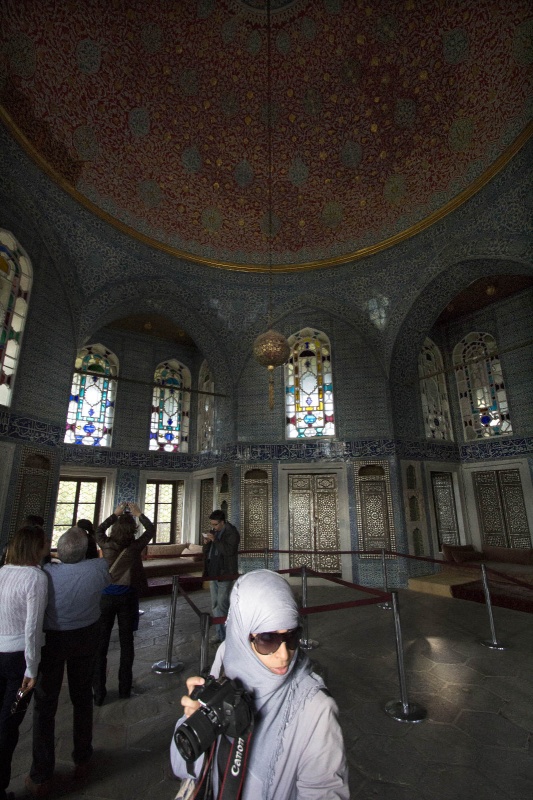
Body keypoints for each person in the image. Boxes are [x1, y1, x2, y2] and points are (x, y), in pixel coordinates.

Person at [170, 570, 349, 800]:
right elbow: (183, 766)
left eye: (292, 637)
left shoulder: (316, 710)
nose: (284, 655)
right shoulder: (228, 658)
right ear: (240, 635)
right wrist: (193, 723)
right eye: (267, 640)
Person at [26, 527, 110, 797]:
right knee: (82, 697)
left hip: (52, 641)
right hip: (85, 638)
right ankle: (82, 758)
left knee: (44, 705)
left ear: (57, 552)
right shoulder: (98, 568)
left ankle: (41, 774)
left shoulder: (45, 574)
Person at [0, 526, 48, 800]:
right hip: (19, 662)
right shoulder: (35, 577)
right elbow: (32, 629)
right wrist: (32, 668)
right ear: (36, 547)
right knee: (9, 722)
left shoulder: (2, 572)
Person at [92, 502, 155, 705]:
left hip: (106, 598)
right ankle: (124, 688)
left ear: (115, 529)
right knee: (127, 643)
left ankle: (99, 692)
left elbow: (98, 530)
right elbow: (151, 530)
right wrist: (140, 514)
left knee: (100, 645)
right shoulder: (135, 547)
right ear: (134, 530)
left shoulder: (106, 543)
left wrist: (114, 515)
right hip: (127, 598)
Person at [203, 510, 240, 643]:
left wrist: (216, 540)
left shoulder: (232, 533)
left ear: (223, 522)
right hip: (214, 572)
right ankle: (220, 633)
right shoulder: (215, 532)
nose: (214, 527)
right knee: (215, 605)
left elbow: (229, 551)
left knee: (222, 605)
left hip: (225, 573)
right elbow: (208, 552)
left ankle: (225, 636)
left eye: (216, 524)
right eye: (212, 524)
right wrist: (207, 543)